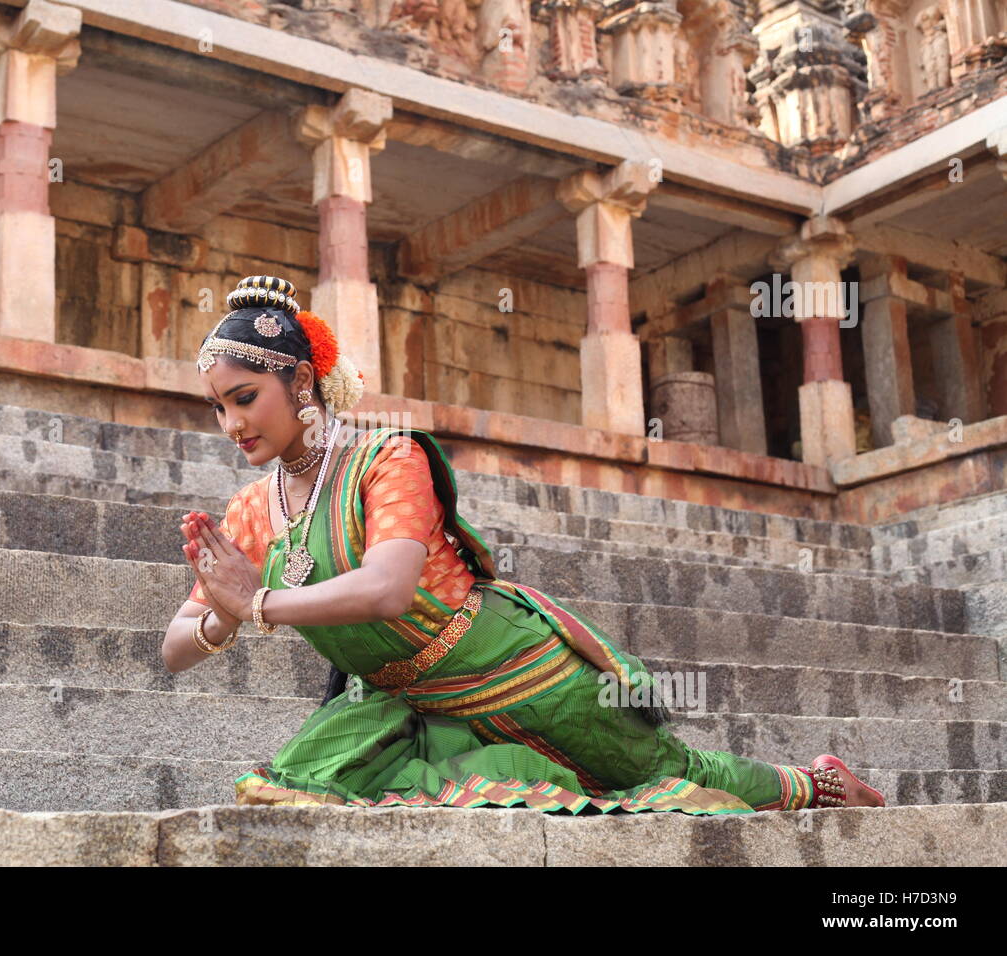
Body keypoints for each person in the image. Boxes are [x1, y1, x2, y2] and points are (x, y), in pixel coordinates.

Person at [162, 274, 887, 815]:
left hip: (518, 667)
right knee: (301, 780)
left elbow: (388, 588)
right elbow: (175, 647)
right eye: (218, 406)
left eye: (245, 397)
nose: (231, 423)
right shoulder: (254, 510)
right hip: (409, 700)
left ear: (301, 383)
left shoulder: (387, 459)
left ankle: (817, 783)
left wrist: (257, 601)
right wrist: (223, 614)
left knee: (657, 772)